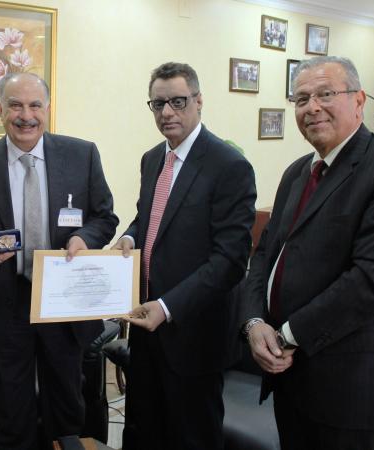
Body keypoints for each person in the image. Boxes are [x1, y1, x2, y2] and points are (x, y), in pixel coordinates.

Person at [242, 56, 374, 450]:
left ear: (359, 100)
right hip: (288, 375)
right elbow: (264, 256)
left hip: (350, 383)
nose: (312, 107)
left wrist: (288, 334)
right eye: (301, 98)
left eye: (326, 94)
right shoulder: (297, 171)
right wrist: (255, 322)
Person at [0, 72, 118, 449]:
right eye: (16, 105)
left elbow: (105, 217)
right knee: (11, 416)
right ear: (0, 109)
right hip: (5, 307)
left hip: (63, 302)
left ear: (48, 108)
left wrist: (82, 237)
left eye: (35, 105)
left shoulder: (81, 154)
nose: (26, 115)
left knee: (68, 410)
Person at [112, 62, 256, 449]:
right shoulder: (151, 159)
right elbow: (149, 216)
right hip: (146, 330)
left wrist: (167, 306)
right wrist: (128, 236)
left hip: (194, 335)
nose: (167, 113)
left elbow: (229, 261)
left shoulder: (229, 165)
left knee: (190, 437)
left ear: (198, 101)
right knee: (143, 429)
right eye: (158, 104)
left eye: (178, 101)